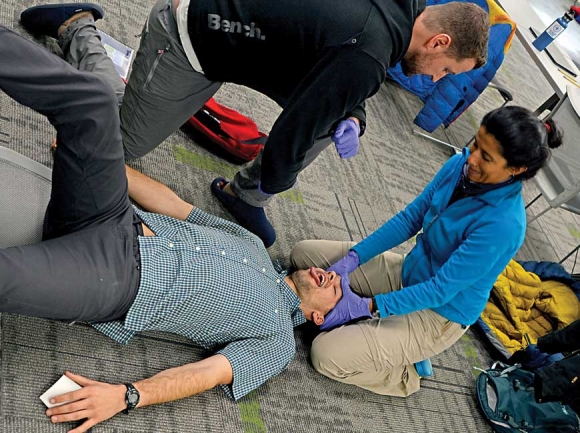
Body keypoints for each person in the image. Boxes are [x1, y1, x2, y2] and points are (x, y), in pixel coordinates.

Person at [0, 18, 343, 433]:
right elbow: (175, 206)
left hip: (116, 281)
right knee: (93, 103)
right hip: (116, 217)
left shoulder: (277, 343)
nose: (333, 277)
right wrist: (100, 160)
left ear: (319, 319)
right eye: (337, 275)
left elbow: (206, 375)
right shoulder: (253, 244)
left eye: (337, 291)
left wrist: (126, 395)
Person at [21, 0, 490, 248]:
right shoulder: (368, 53)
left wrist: (354, 112)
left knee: (336, 115)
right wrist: (276, 175)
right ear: (439, 41)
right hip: (189, 38)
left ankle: (241, 195)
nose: (435, 79)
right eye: (445, 70)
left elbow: (345, 70)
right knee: (114, 149)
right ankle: (77, 28)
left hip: (252, 42)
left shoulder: (403, 8)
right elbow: (294, 132)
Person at [290, 105, 563, 397]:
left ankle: (404, 371)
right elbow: (410, 219)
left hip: (437, 313)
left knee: (325, 354)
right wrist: (354, 258)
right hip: (409, 273)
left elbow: (440, 290)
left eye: (486, 156)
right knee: (303, 254)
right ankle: (382, 327)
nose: (471, 158)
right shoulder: (460, 166)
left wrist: (367, 306)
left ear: (515, 169)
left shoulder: (504, 224)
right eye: (475, 142)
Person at [509, 319, 580, 413]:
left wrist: (544, 343)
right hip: (567, 388)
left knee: (522, 404)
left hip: (561, 382)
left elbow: (571, 335)